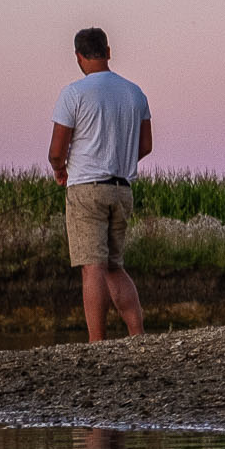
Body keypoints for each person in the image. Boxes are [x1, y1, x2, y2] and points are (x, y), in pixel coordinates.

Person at [48, 27, 152, 341]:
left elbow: (56, 150)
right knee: (114, 266)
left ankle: (97, 342)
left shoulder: (73, 93)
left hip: (85, 189)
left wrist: (60, 170)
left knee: (91, 266)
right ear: (108, 51)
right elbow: (145, 146)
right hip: (122, 188)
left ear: (78, 56)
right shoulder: (135, 93)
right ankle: (138, 334)